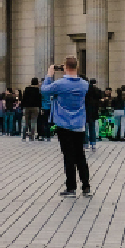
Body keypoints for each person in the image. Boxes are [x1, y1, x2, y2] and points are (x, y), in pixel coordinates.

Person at [42, 57, 92, 197]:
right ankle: (86, 186)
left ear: (65, 67)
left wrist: (49, 75)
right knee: (80, 155)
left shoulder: (60, 84)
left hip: (64, 123)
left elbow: (44, 90)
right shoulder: (84, 85)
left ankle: (71, 187)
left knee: (68, 156)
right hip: (79, 124)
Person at [84, 78, 101, 152]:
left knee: (85, 128)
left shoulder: (86, 90)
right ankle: (93, 143)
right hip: (94, 111)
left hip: (86, 110)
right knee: (92, 127)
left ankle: (85, 144)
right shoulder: (97, 90)